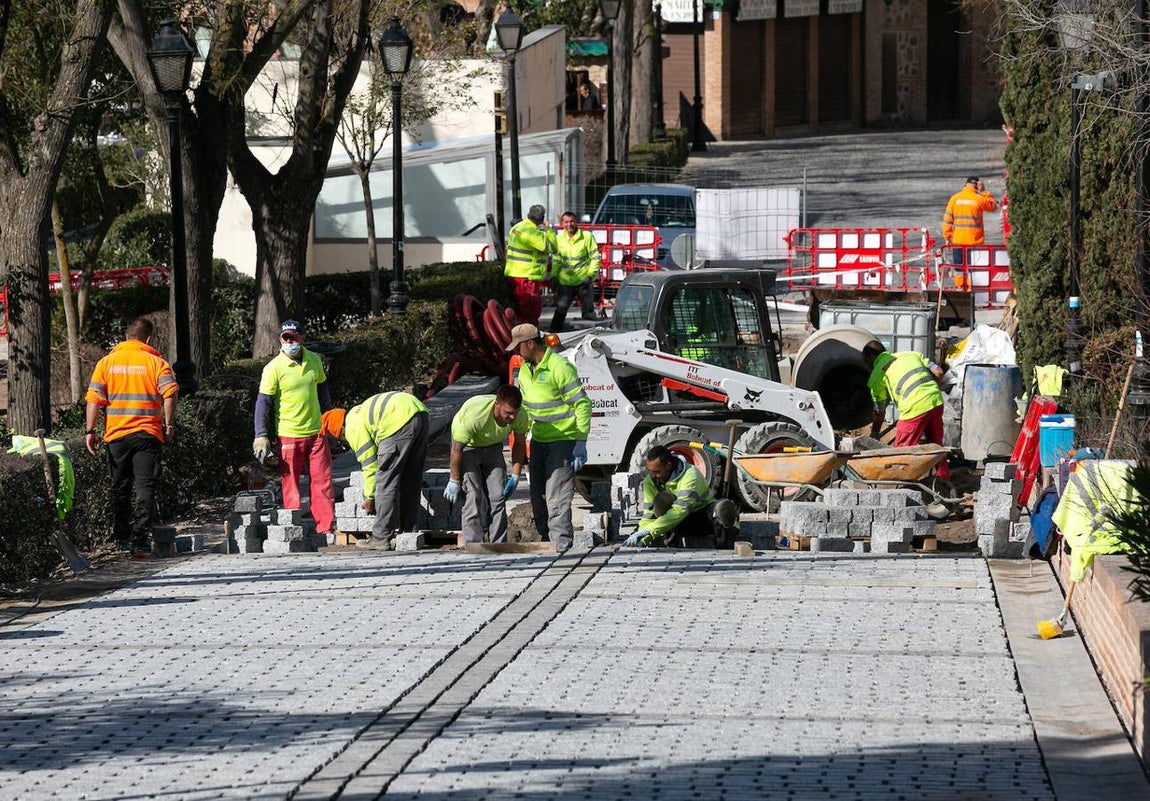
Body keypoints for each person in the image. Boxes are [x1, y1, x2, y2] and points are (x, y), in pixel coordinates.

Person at [84, 316, 179, 554]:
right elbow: (170, 393)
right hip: (147, 434)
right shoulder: (157, 363)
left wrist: (90, 430)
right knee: (145, 487)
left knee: (120, 487)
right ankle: (140, 541)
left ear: (126, 337)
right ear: (148, 339)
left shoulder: (106, 363)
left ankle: (121, 537)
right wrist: (169, 425)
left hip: (116, 435)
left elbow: (94, 399)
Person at [506, 323, 592, 551]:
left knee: (557, 497)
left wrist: (580, 442)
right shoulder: (525, 369)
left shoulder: (559, 367)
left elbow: (582, 404)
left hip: (562, 440)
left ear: (530, 343)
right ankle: (547, 542)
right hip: (539, 440)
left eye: (518, 347)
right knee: (538, 496)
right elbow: (523, 406)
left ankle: (561, 546)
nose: (516, 352)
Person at [253, 320, 336, 536]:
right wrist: (261, 434)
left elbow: (323, 390)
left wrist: (329, 419)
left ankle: (325, 528)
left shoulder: (314, 360)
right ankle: (293, 530)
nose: (289, 341)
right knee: (291, 485)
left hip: (316, 433)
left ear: (302, 338)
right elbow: (263, 402)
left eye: (293, 337)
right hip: (289, 435)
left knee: (322, 482)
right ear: (281, 339)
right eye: (285, 338)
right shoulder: (273, 368)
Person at [322, 391, 429, 549]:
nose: (344, 441)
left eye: (340, 438)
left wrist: (370, 497)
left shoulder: (352, 428)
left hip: (398, 422)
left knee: (386, 482)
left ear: (340, 431)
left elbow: (371, 467)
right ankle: (409, 532)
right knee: (411, 479)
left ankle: (381, 537)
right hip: (421, 413)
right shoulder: (359, 412)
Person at [444, 385, 529, 544]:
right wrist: (454, 480)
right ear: (497, 405)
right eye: (508, 413)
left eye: (514, 413)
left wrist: (516, 475)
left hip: (493, 446)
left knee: (498, 496)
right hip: (468, 447)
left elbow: (519, 443)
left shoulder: (520, 415)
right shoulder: (476, 415)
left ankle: (498, 544)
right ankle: (473, 544)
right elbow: (457, 449)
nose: (511, 418)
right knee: (473, 495)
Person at [862, 340, 950, 480]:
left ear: (870, 358)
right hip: (935, 400)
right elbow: (938, 372)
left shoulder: (877, 375)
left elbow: (879, 412)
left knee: (902, 451)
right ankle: (943, 480)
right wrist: (931, 391)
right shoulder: (911, 354)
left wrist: (874, 433)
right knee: (936, 446)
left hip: (913, 408)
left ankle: (903, 485)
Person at [622, 445, 739, 549]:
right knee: (662, 499)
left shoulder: (690, 475)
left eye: (657, 472)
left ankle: (724, 547)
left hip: (704, 521)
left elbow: (679, 511)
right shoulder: (651, 481)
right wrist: (642, 538)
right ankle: (671, 546)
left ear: (668, 466)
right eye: (650, 471)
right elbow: (649, 514)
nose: (652, 476)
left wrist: (650, 531)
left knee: (723, 508)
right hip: (679, 524)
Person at [504, 204, 557, 326]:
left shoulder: (518, 227)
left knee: (519, 313)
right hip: (527, 278)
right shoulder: (532, 231)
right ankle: (531, 340)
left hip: (514, 275)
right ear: (542, 218)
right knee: (530, 314)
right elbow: (552, 248)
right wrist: (548, 230)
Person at [551, 211, 601, 331]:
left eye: (572, 221)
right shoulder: (558, 239)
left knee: (588, 313)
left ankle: (589, 337)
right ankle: (552, 335)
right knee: (560, 311)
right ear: (562, 223)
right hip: (565, 283)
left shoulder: (587, 237)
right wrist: (554, 277)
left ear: (576, 222)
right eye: (566, 222)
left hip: (583, 282)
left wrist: (590, 276)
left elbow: (595, 258)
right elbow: (556, 261)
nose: (569, 224)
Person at [942, 175, 998, 248]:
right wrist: (984, 191)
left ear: (965, 185)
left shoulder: (955, 199)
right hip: (975, 243)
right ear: (977, 186)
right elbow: (993, 206)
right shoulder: (979, 199)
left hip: (958, 242)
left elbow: (947, 220)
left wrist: (947, 237)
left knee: (959, 260)